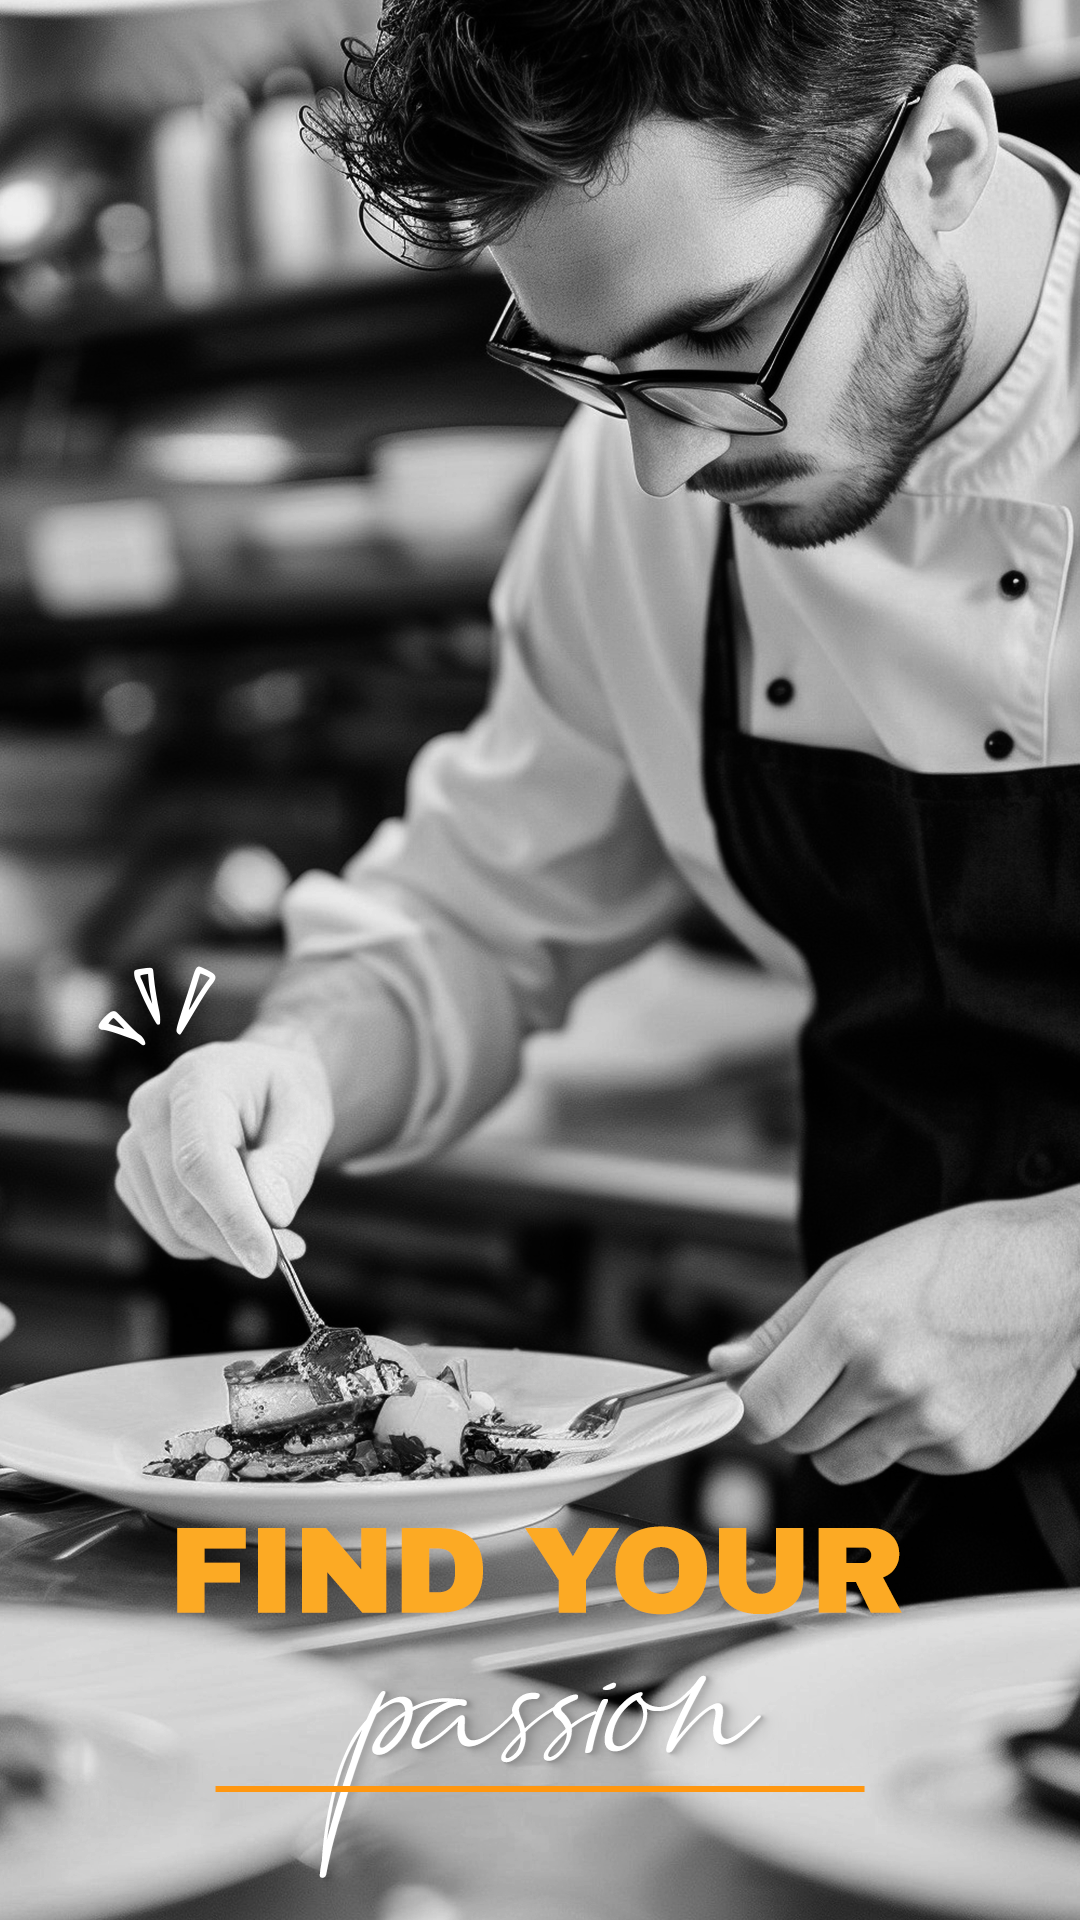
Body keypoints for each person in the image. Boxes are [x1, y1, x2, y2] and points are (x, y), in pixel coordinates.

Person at [116, 0, 1080, 1601]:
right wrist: (295, 1063)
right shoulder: (648, 475)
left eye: (715, 337)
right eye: (588, 369)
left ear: (944, 159)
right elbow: (476, 913)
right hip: (909, 1515)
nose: (657, 467)